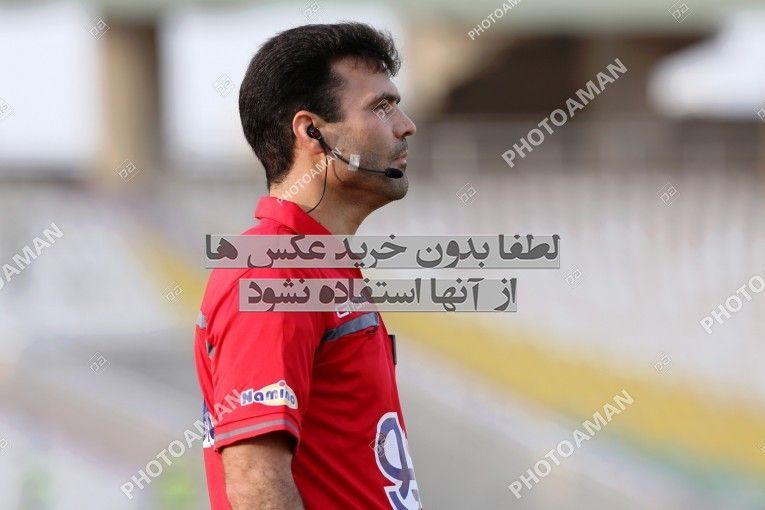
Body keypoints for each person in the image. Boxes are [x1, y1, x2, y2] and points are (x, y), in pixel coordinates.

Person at [193, 22, 421, 509]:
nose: (405, 125)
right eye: (381, 107)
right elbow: (256, 482)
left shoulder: (314, 262)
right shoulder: (274, 270)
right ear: (311, 132)